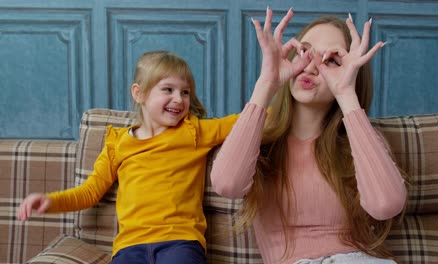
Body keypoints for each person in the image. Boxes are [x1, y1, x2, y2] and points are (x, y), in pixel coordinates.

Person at [210, 7, 407, 264]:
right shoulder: (261, 142)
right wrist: (266, 84)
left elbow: (385, 205)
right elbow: (227, 185)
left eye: (331, 61)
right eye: (305, 52)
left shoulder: (359, 143)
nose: (311, 67)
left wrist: (346, 93)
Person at [17, 51, 238, 264]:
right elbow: (89, 192)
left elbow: (249, 121)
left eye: (185, 92)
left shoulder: (194, 131)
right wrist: (51, 200)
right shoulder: (117, 143)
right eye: (168, 89)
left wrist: (273, 91)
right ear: (138, 93)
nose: (178, 99)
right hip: (130, 248)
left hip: (180, 242)